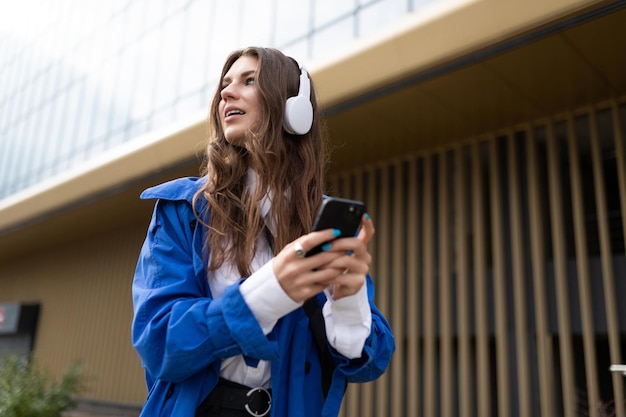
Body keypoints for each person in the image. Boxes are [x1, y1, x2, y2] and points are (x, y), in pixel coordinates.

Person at [131, 46, 395, 417]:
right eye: (225, 84)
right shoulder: (182, 210)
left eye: (249, 81)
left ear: (293, 109)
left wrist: (349, 301)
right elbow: (158, 342)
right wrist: (269, 291)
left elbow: (369, 362)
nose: (226, 92)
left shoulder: (322, 221)